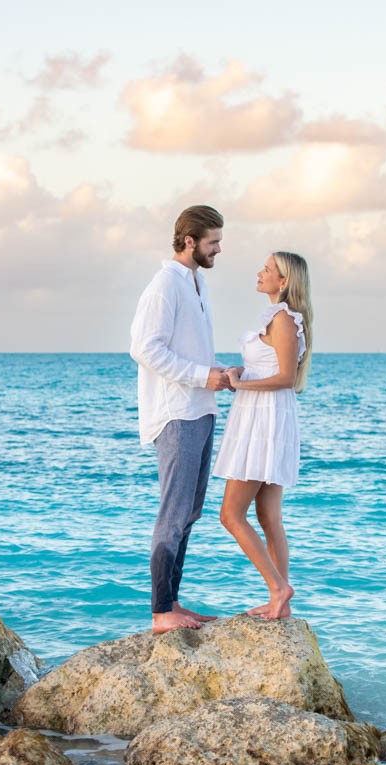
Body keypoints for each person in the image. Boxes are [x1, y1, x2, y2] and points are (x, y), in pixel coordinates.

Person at [129, 205, 231, 634]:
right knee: (173, 514)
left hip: (202, 409)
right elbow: (144, 348)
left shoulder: (197, 282)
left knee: (190, 512)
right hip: (176, 415)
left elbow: (187, 348)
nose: (219, 249)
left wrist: (217, 371)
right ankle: (160, 612)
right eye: (213, 242)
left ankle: (171, 603)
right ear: (190, 241)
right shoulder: (164, 285)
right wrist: (200, 375)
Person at [213, 252, 313, 620]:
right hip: (263, 415)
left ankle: (278, 587)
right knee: (268, 515)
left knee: (230, 514)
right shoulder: (277, 318)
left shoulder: (284, 318)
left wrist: (240, 382)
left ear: (284, 281)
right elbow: (268, 366)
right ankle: (280, 605)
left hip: (263, 420)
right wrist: (244, 370)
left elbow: (286, 377)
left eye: (268, 269)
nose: (260, 272)